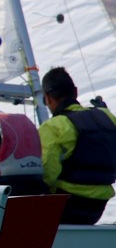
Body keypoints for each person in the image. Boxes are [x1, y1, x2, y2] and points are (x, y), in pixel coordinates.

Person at [37, 67, 116, 224]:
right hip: (98, 207)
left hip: (66, 207)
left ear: (47, 98)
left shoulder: (54, 126)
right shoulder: (107, 117)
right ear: (75, 92)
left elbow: (47, 173)